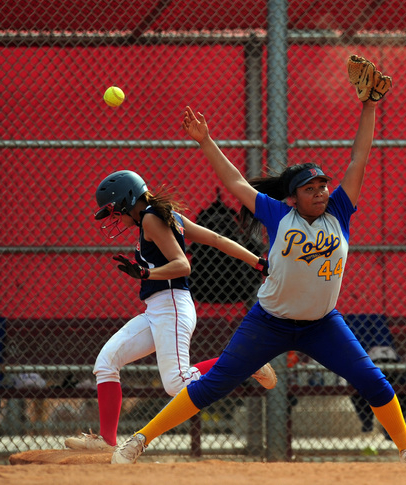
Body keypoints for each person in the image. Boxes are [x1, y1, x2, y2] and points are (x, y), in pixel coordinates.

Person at [111, 61, 406, 464]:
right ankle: (138, 440)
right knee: (213, 385)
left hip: (322, 324)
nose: (320, 193)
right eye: (310, 189)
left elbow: (359, 159)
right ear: (293, 198)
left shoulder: (340, 212)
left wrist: (368, 106)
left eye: (323, 186)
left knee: (373, 381)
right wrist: (206, 141)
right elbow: (236, 184)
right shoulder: (279, 216)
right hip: (268, 322)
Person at [64, 169, 277, 451]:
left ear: (129, 199)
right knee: (107, 362)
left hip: (172, 304)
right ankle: (106, 441)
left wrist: (144, 273)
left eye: (115, 209)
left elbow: (182, 265)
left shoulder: (151, 218)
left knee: (177, 384)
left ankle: (248, 363)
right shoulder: (161, 216)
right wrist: (256, 261)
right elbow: (216, 239)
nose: (115, 217)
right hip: (158, 308)